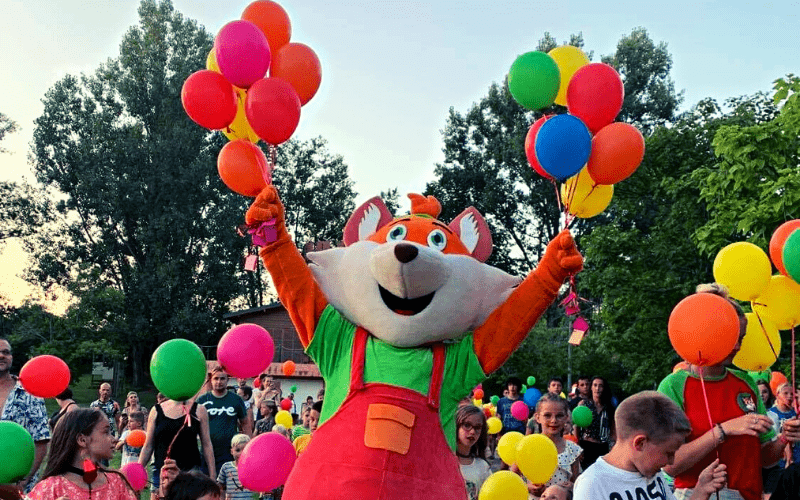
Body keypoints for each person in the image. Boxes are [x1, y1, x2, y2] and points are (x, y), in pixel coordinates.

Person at [658, 283, 800, 500]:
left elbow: (764, 458)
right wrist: (722, 431)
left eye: (741, 338)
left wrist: (784, 439)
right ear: (710, 331)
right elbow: (669, 465)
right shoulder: (674, 385)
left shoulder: (746, 383)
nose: (737, 347)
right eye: (732, 337)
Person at [573, 391, 726, 500]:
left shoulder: (652, 473)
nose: (672, 461)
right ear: (640, 443)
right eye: (668, 453)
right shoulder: (593, 483)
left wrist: (701, 490)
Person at [28, 408, 137, 500]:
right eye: (106, 432)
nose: (114, 439)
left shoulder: (116, 483)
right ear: (82, 440)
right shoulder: (51, 488)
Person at [138, 398, 216, 500]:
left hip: (190, 473)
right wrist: (137, 472)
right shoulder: (156, 410)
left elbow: (206, 444)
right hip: (162, 473)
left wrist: (213, 476)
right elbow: (148, 446)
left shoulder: (199, 410)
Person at [0, 338, 51, 492]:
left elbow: (41, 440)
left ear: (12, 358)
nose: (1, 355)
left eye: (6, 352)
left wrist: (25, 480)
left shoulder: (29, 392)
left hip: (18, 484)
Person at [197, 367, 253, 477]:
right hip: (206, 452)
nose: (219, 382)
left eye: (222, 378)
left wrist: (249, 447)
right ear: (211, 380)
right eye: (216, 378)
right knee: (206, 487)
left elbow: (245, 423)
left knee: (226, 487)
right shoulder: (202, 400)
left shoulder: (236, 399)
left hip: (229, 452)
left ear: (227, 380)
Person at [532, 393, 582, 495]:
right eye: (547, 415)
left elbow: (576, 481)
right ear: (537, 417)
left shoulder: (572, 449)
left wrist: (572, 486)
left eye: (559, 415)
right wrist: (528, 487)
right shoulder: (528, 445)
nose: (554, 420)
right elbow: (513, 477)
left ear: (566, 417)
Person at [575, 376, 615, 469]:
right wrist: (577, 448)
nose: (597, 388)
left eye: (600, 386)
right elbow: (576, 426)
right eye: (595, 385)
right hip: (586, 446)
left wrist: (613, 448)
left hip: (603, 447)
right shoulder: (583, 404)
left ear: (604, 388)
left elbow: (613, 431)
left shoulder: (609, 407)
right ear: (591, 387)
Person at [455, 405, 492, 500]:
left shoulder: (483, 467)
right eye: (467, 425)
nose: (472, 431)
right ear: (456, 425)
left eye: (477, 427)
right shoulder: (442, 462)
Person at [217, 434, 253, 500]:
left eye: (245, 450)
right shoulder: (226, 467)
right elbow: (220, 486)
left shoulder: (253, 467)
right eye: (238, 450)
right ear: (232, 451)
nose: (241, 453)